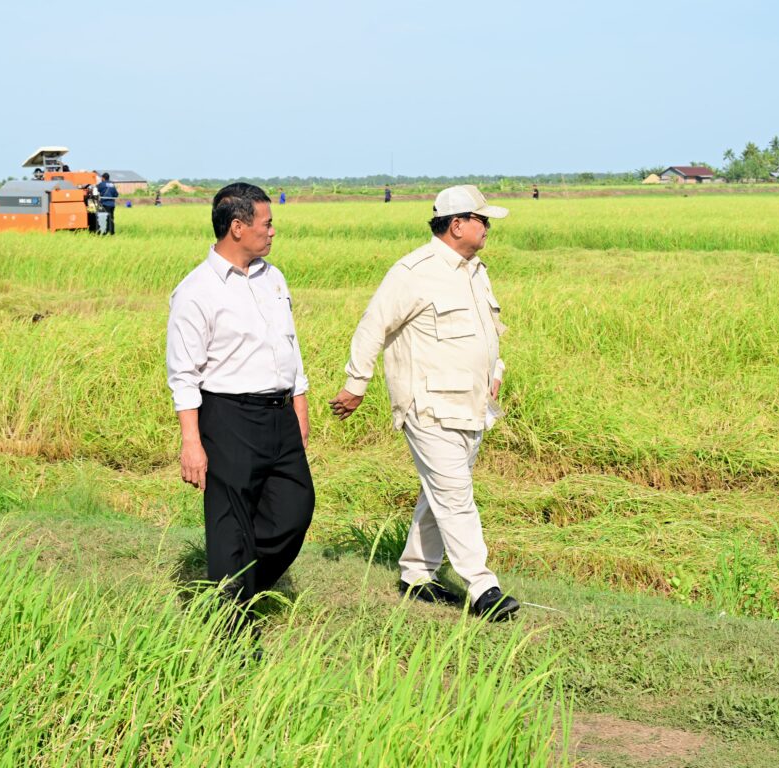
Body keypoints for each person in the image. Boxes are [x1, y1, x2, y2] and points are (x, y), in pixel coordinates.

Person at [329, 185, 519, 622]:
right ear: (457, 225)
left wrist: (495, 373)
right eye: (481, 220)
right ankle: (482, 587)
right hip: (428, 405)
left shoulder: (475, 270)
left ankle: (416, 575)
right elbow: (372, 326)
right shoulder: (413, 272)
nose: (487, 227)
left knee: (440, 493)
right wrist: (356, 384)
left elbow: (488, 331)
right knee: (455, 494)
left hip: (471, 404)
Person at [167, 182, 315, 628]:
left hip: (279, 414)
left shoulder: (274, 277)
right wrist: (191, 443)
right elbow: (184, 374)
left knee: (295, 509)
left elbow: (290, 347)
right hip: (227, 416)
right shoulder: (195, 291)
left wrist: (300, 408)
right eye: (267, 223)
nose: (273, 232)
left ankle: (241, 589)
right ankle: (230, 630)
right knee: (231, 525)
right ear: (237, 227)